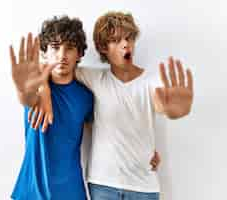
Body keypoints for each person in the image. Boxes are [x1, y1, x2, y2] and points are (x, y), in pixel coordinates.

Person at [30, 11, 194, 200]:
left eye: (129, 38)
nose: (126, 44)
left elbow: (167, 107)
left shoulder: (152, 81)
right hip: (103, 185)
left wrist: (177, 110)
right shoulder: (94, 78)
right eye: (116, 40)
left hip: (143, 186)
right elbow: (46, 63)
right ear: (103, 48)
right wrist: (43, 89)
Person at [9, 16, 93, 200]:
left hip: (71, 193)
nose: (62, 55)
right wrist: (26, 88)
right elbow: (26, 98)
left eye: (69, 48)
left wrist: (143, 151)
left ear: (79, 54)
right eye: (55, 47)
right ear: (45, 52)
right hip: (30, 192)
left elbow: (105, 133)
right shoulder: (35, 87)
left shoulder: (86, 97)